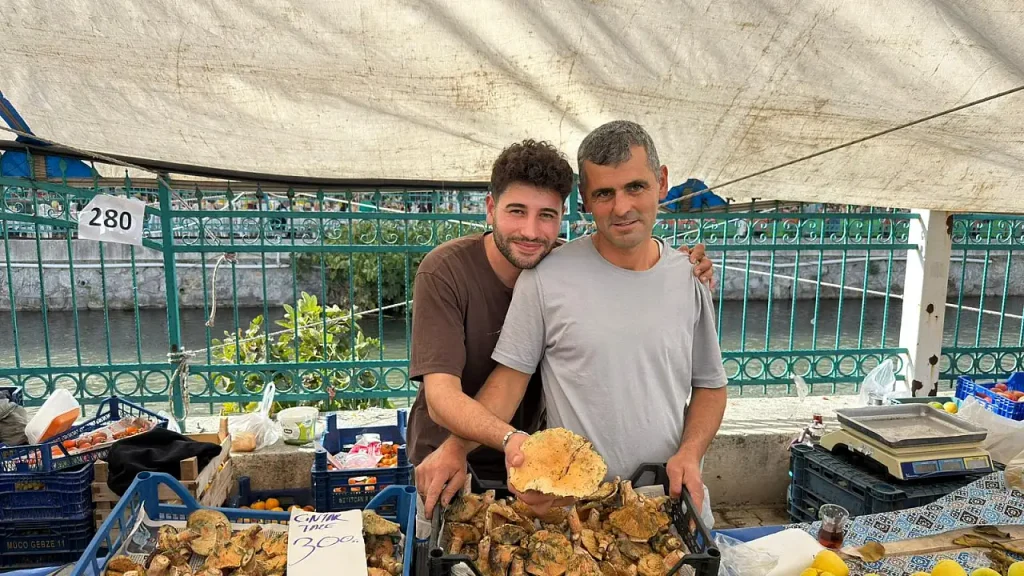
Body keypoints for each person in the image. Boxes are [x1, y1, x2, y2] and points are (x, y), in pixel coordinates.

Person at [423, 121, 728, 526]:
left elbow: (710, 385)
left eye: (635, 187)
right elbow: (508, 383)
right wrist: (456, 446)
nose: (621, 207)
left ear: (662, 182)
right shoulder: (545, 277)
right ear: (585, 199)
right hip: (577, 513)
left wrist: (690, 452)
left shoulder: (689, 276)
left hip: (669, 501)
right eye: (604, 193)